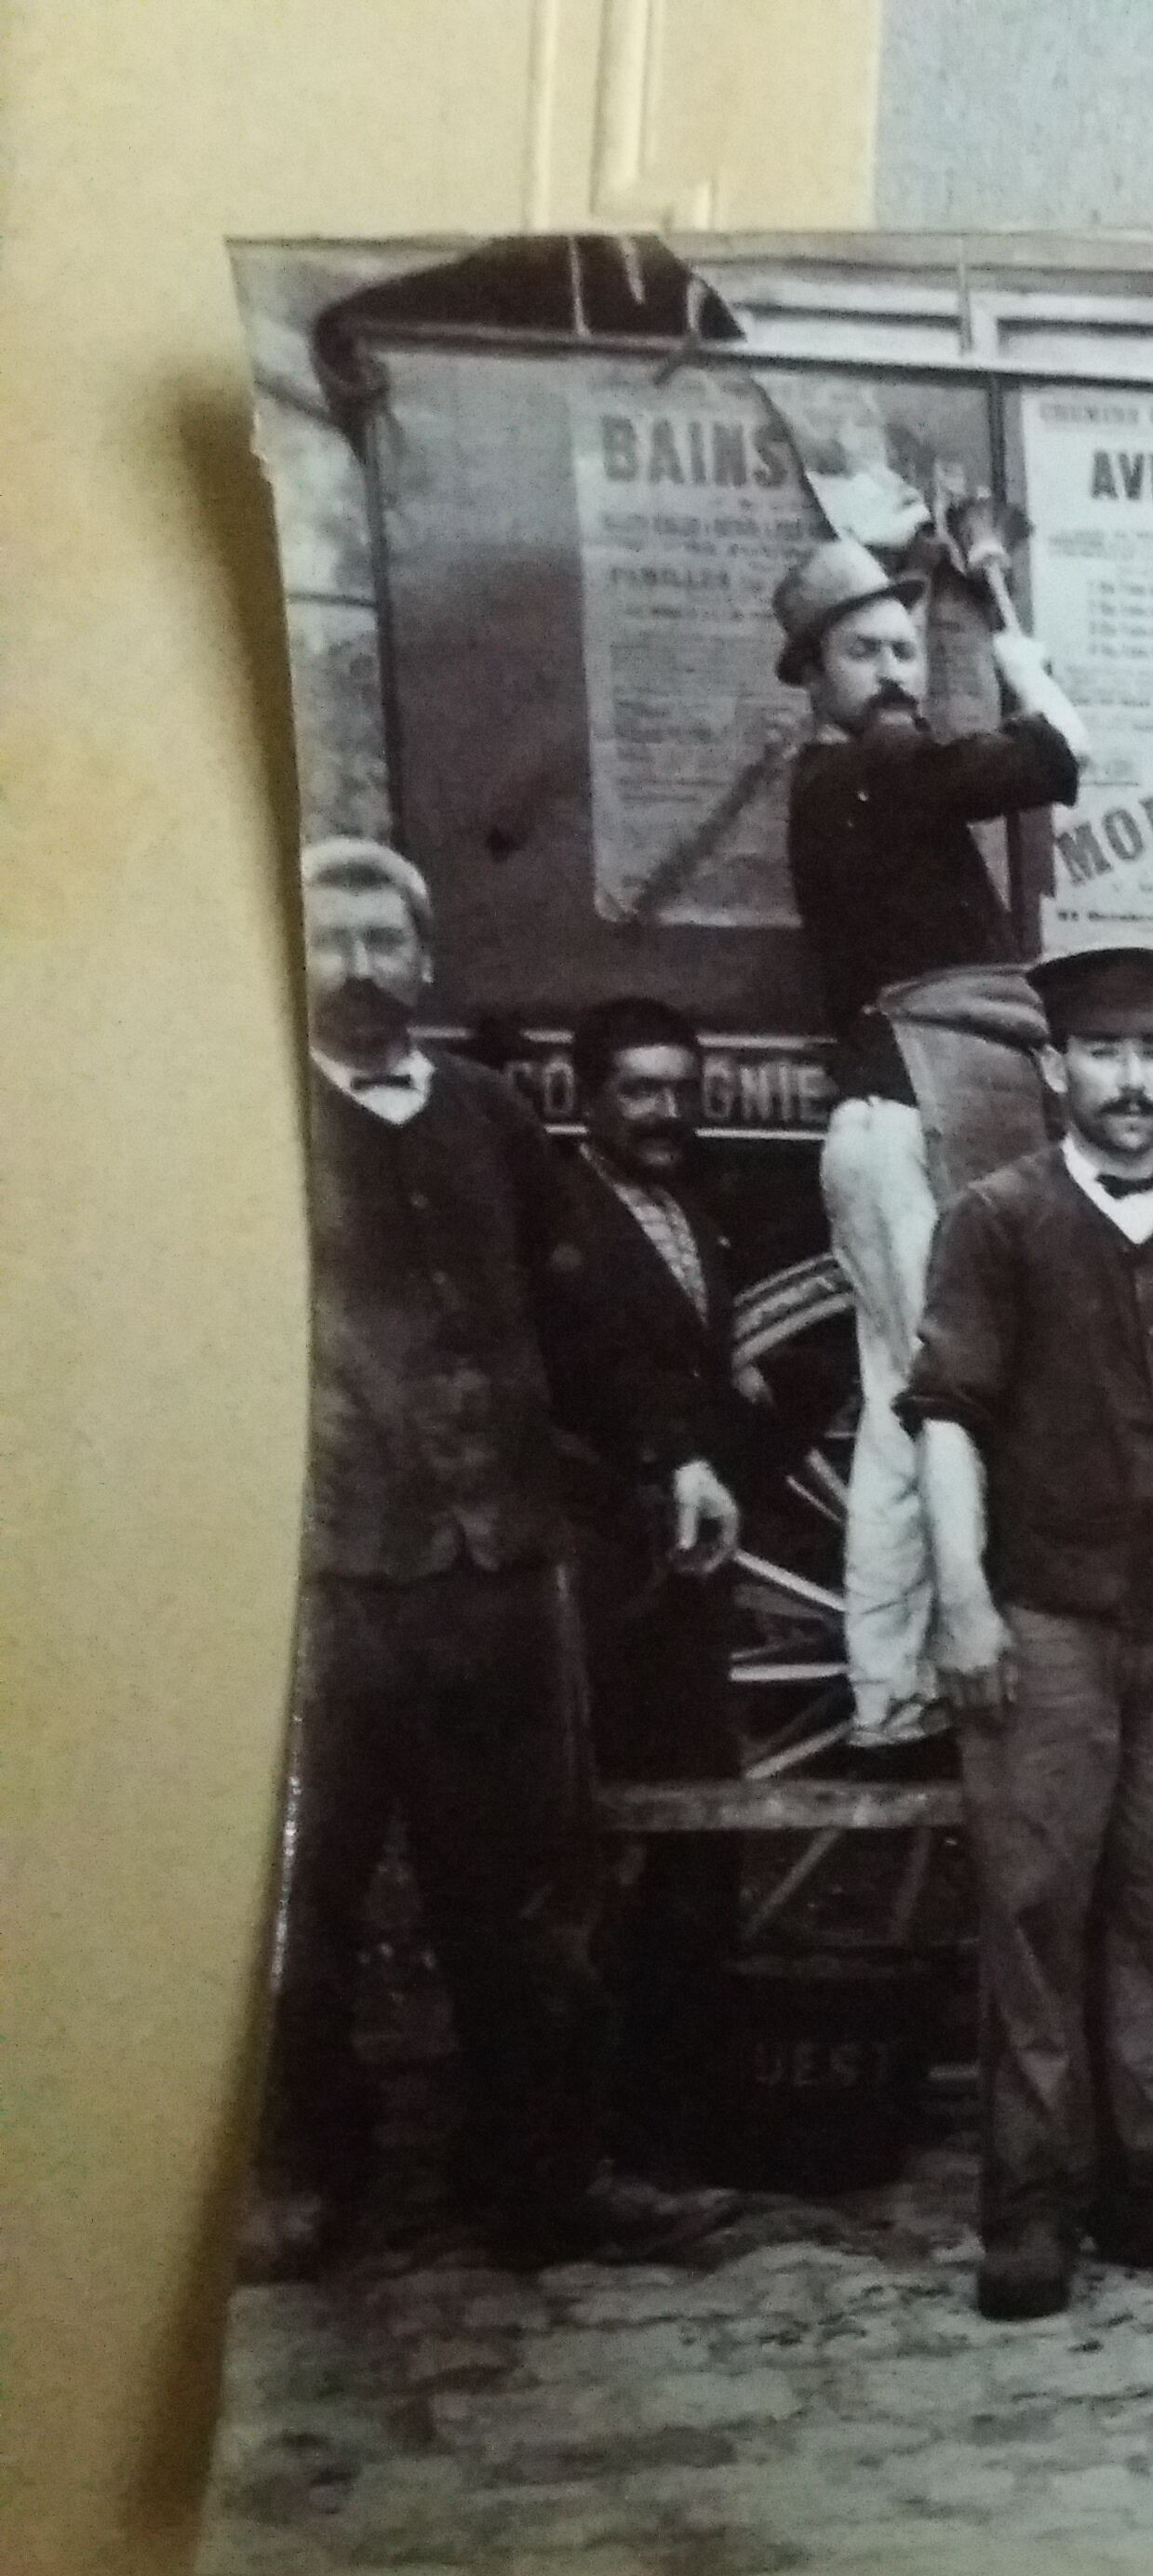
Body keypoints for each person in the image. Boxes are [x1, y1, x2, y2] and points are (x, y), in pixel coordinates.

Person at [251, 841, 736, 2280]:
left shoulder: (488, 1121)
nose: (357, 967)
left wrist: (671, 1454)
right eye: (329, 939)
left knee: (528, 1902)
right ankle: (302, 2181)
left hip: (500, 1580)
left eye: (382, 940)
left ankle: (541, 2178)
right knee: (306, 1900)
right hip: (321, 1585)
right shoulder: (243, 1119)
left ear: (428, 958)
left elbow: (578, 1320)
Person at [899, 942, 1153, 2320]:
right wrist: (962, 1599)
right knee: (1033, 1911)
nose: (1133, 1082)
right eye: (1106, 1056)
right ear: (1056, 1070)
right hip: (1047, 1625)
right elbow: (948, 1417)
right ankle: (1028, 2208)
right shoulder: (996, 1223)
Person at [776, 514, 1091, 1765]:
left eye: (908, 649)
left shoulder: (859, 783)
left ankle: (889, 1685)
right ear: (816, 678)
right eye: (864, 653)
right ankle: (905, 1678)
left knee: (898, 1408)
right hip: (908, 1118)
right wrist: (1004, 616)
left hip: (888, 1114)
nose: (896, 673)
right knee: (928, 1409)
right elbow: (1063, 752)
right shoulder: (869, 775)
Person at [543, 994, 762, 2176]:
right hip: (599, 1571)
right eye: (640, 1088)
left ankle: (681, 2114)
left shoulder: (693, 1216)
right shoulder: (560, 1215)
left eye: (682, 1086)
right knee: (604, 1846)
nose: (666, 1110)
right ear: (590, 1097)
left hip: (686, 1579)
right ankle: (599, 2126)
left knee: (695, 1837)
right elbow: (586, 1374)